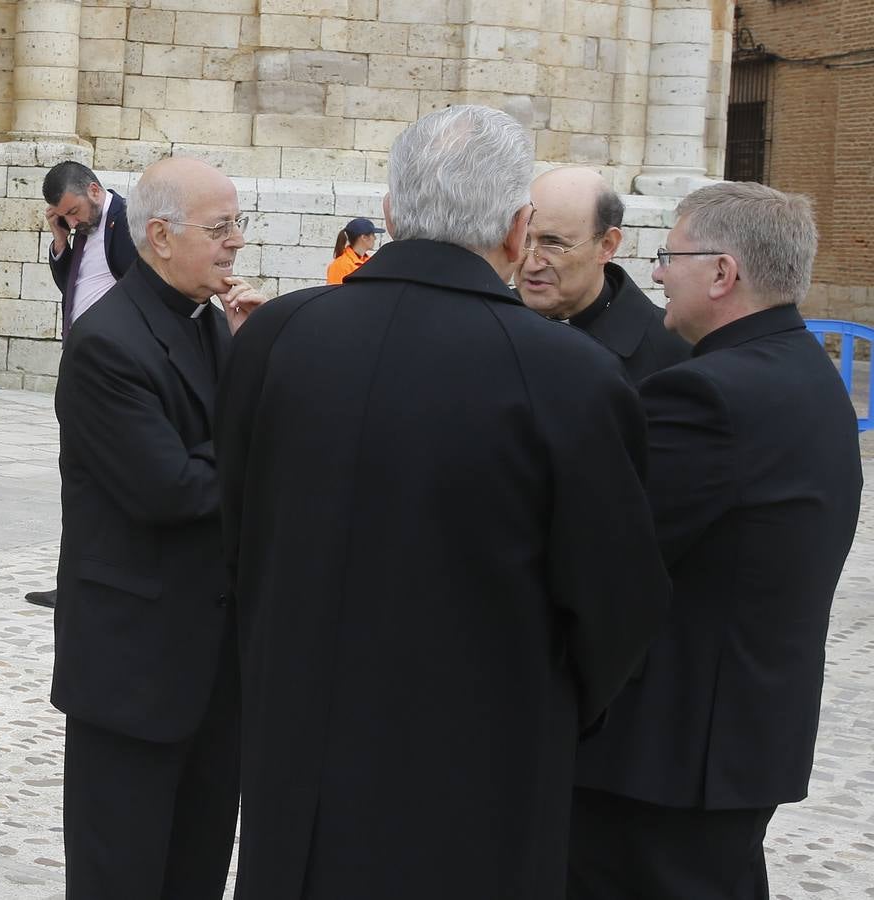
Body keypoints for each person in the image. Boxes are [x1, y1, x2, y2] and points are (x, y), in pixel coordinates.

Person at [216, 105, 670, 898]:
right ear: (519, 227)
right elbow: (617, 602)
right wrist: (551, 704)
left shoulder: (277, 336)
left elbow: (240, 536)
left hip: (301, 752)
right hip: (484, 766)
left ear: (391, 212)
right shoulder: (571, 375)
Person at [569, 182, 863, 900]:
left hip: (669, 752)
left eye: (670, 255)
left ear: (724, 273)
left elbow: (606, 552)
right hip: (736, 738)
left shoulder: (710, 395)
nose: (658, 273)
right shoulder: (804, 372)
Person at [52, 156, 265, 898]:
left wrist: (255, 358)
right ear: (162, 236)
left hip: (212, 666)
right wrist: (251, 449)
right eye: (221, 227)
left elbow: (214, 454)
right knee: (124, 876)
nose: (236, 243)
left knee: (195, 872)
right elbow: (169, 488)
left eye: (239, 224)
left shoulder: (211, 325)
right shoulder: (108, 343)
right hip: (133, 671)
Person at [23, 160, 141, 610]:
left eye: (73, 211)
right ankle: (74, 579)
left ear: (94, 189)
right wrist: (60, 239)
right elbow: (69, 287)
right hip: (82, 366)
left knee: (104, 475)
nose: (72, 220)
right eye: (62, 215)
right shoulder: (83, 232)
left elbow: (139, 292)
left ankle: (103, 577)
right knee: (77, 475)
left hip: (112, 369)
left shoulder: (125, 224)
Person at [517, 166, 690, 381]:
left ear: (607, 246)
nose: (531, 264)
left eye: (553, 244)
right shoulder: (486, 324)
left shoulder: (671, 353)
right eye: (523, 238)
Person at [324, 216, 384, 283]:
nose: (375, 238)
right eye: (373, 235)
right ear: (364, 237)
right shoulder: (340, 265)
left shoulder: (370, 262)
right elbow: (335, 292)